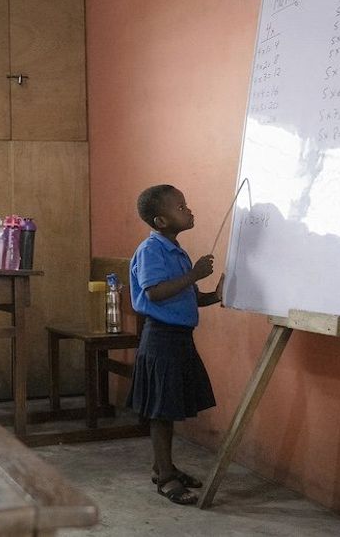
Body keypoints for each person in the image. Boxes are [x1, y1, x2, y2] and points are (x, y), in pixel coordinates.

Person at [127, 184, 222, 506]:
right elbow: (154, 293)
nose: (189, 210)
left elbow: (189, 298)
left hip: (179, 338)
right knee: (161, 412)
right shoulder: (151, 250)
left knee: (169, 408)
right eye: (180, 207)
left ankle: (162, 467)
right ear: (161, 221)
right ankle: (165, 477)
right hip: (161, 339)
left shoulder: (176, 250)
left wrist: (216, 295)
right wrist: (195, 274)